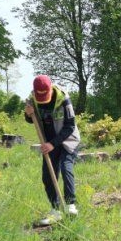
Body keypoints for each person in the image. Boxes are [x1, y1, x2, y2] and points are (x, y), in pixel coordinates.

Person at [25, 75, 81, 225]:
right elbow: (31, 119)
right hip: (48, 141)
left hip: (68, 140)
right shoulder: (33, 99)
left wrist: (53, 144)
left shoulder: (64, 99)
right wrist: (28, 114)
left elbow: (70, 126)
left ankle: (70, 205)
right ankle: (55, 210)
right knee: (48, 176)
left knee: (65, 167)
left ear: (51, 88)